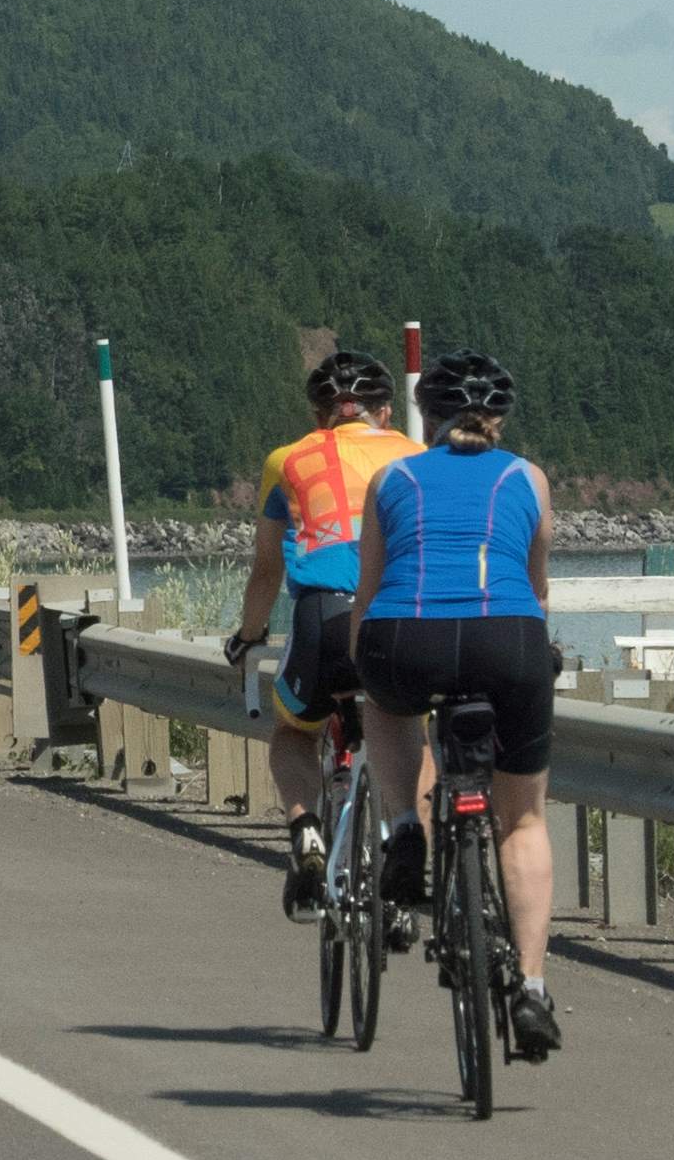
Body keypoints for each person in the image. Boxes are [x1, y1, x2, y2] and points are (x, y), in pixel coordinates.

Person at [349, 354, 566, 1060]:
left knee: (381, 698)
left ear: (428, 419)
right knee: (523, 818)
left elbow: (370, 590)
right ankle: (532, 990)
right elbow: (535, 593)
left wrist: (366, 668)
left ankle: (406, 828)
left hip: (405, 638)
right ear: (498, 421)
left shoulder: (392, 477)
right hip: (509, 642)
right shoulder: (526, 479)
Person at [226, 348, 418, 919]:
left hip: (324, 620)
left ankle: (306, 829)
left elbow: (267, 568)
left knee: (293, 732)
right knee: (409, 731)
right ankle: (409, 848)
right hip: (400, 618)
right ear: (385, 413)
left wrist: (248, 634)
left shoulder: (287, 460)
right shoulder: (415, 456)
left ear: (319, 415)